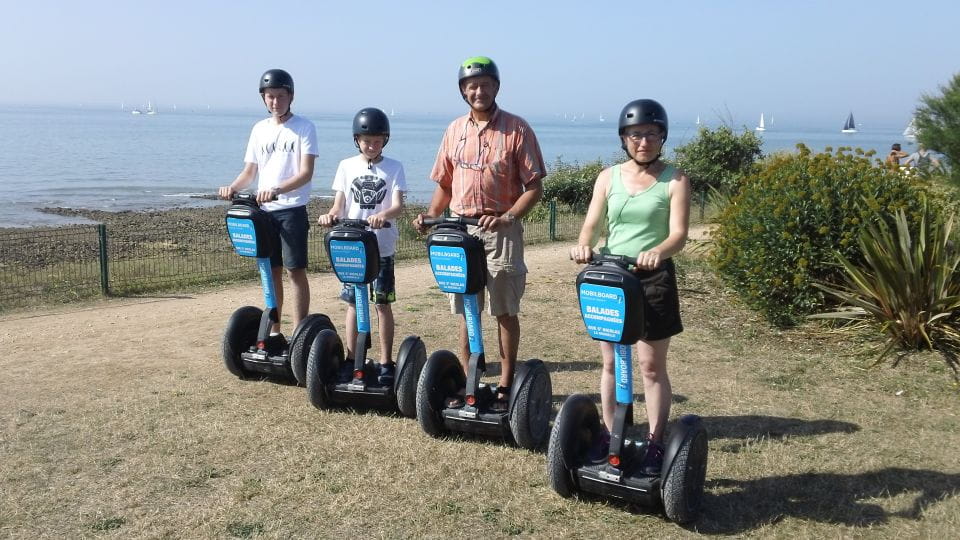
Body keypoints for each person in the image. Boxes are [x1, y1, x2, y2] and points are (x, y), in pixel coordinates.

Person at [413, 56, 546, 412]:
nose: (479, 91)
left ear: (496, 88)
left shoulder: (517, 129)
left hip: (499, 230)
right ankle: (469, 379)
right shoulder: (454, 130)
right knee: (466, 309)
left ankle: (505, 385)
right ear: (462, 91)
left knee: (504, 310)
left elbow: (534, 186)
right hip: (460, 229)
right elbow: (445, 182)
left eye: (485, 85)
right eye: (472, 86)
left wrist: (508, 216)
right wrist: (431, 215)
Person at [569, 99, 691, 475]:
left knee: (650, 366)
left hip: (653, 277)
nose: (643, 141)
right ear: (624, 137)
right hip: (612, 276)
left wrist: (657, 251)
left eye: (651, 134)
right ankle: (609, 434)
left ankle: (655, 443)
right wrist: (583, 244)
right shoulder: (608, 177)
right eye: (636, 134)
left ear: (662, 137)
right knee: (610, 362)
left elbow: (679, 234)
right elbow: (592, 223)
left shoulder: (676, 179)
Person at [218, 69, 318, 344]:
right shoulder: (259, 129)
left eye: (280, 96)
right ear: (264, 98)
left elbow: (306, 172)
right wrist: (234, 187)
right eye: (270, 97)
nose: (275, 102)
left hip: (291, 209)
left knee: (294, 270)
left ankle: (299, 334)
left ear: (291, 96)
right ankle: (274, 331)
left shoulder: (304, 127)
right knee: (270, 269)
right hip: (264, 212)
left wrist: (278, 189)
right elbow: (250, 171)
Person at [319, 107, 406, 384]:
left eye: (378, 140)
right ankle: (350, 358)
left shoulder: (394, 168)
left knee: (382, 304)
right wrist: (331, 215)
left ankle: (385, 362)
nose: (372, 145)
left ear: (386, 140)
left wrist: (384, 215)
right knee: (354, 304)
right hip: (353, 247)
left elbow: (398, 205)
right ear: (357, 140)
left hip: (381, 247)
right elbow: (339, 203)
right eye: (367, 140)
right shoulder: (346, 166)